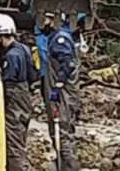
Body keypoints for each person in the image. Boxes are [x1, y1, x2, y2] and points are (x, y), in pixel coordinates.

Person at [0, 13, 37, 171]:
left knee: (13, 144)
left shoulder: (11, 55)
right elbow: (32, 76)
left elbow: (7, 86)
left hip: (15, 103)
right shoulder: (23, 49)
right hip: (24, 100)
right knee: (20, 139)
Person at [40, 11, 81, 171]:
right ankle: (65, 164)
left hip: (63, 95)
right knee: (64, 130)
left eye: (48, 19)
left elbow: (67, 63)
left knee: (62, 130)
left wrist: (58, 84)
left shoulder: (60, 39)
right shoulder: (58, 37)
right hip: (64, 93)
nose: (44, 22)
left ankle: (69, 166)